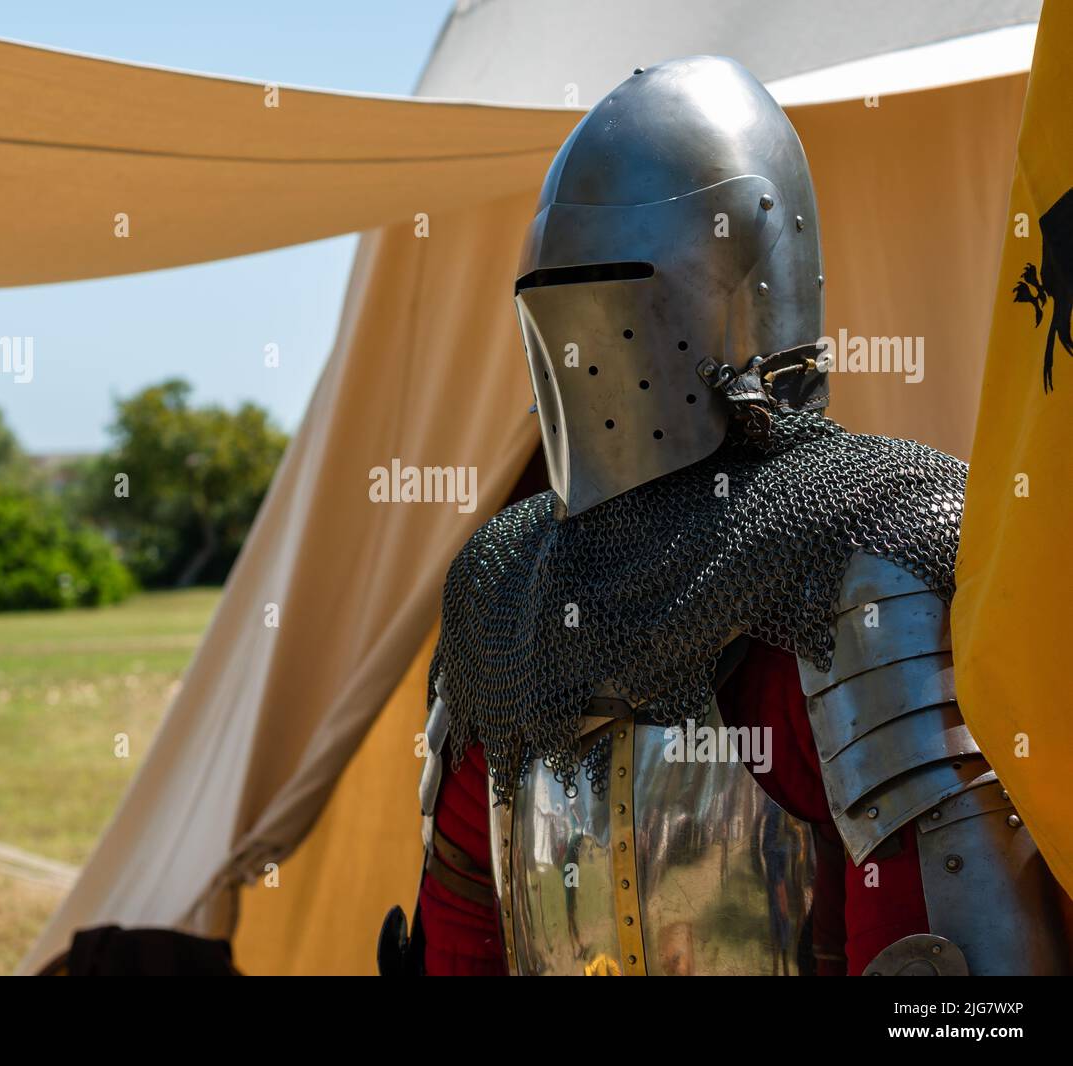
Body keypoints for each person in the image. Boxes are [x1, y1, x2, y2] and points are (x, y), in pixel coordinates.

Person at [379, 55, 1069, 976]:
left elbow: (952, 968)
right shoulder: (499, 592)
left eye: (616, 290)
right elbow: (462, 924)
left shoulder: (867, 549)